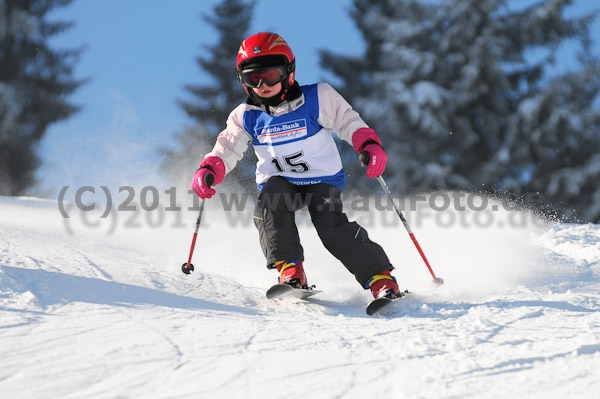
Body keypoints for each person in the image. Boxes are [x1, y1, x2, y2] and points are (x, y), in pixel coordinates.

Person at [191, 32, 402, 299]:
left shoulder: (317, 97)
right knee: (270, 204)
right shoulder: (246, 115)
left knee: (330, 226)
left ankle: (381, 279)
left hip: (321, 180)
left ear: (288, 72)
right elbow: (227, 146)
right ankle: (290, 270)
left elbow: (348, 121)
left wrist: (368, 144)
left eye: (271, 75)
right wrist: (209, 169)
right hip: (280, 181)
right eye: (253, 78)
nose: (263, 84)